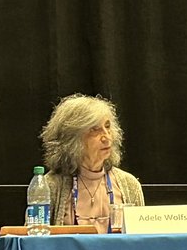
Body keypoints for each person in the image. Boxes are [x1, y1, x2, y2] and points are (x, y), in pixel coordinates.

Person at [40, 94, 144, 230]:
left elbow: (142, 240)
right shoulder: (50, 185)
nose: (107, 137)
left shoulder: (129, 184)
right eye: (95, 129)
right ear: (72, 139)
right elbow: (34, 242)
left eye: (108, 127)